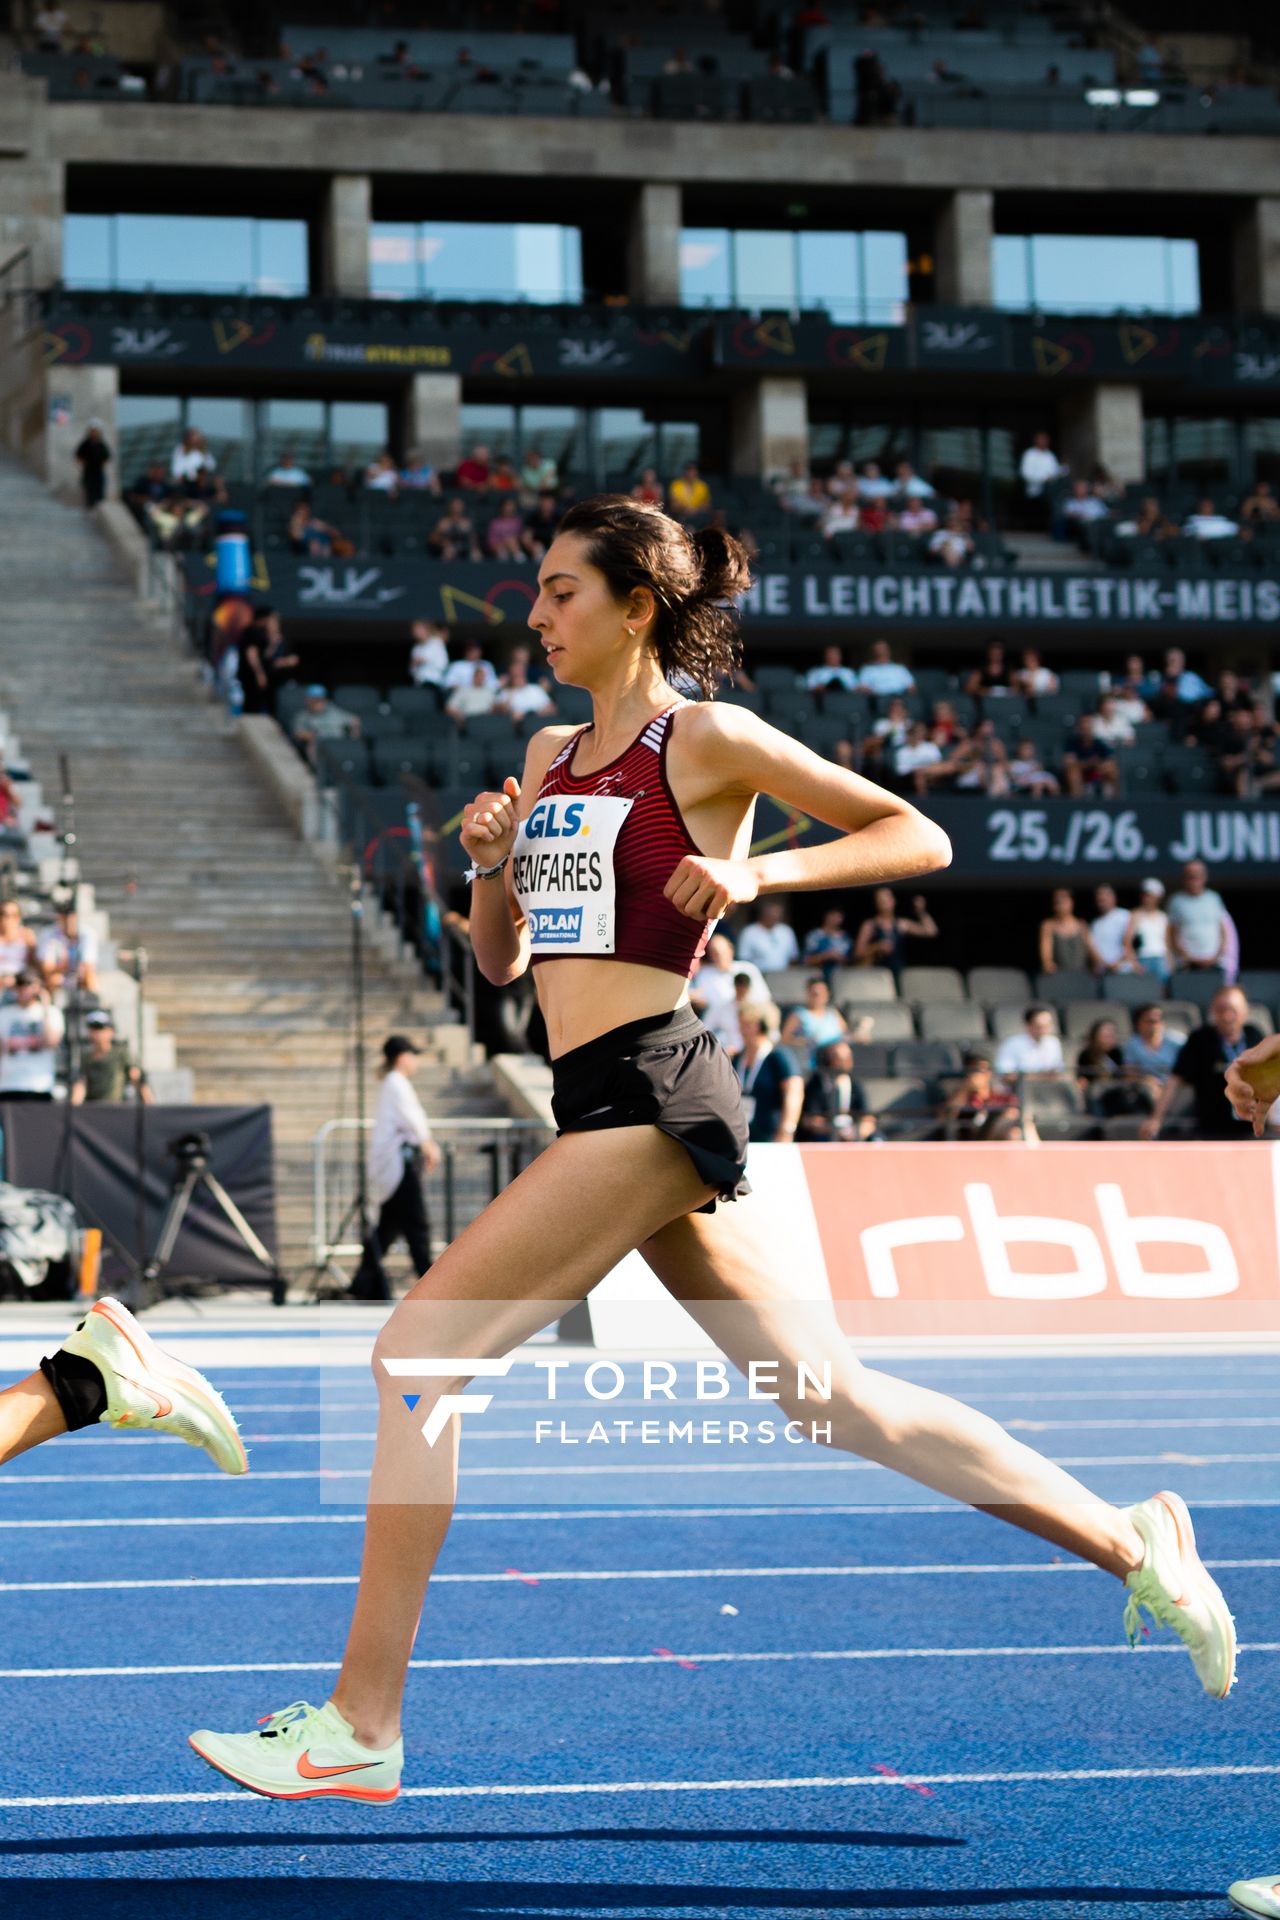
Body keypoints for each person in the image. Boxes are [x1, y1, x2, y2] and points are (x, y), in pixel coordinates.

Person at [185, 491, 1238, 1806]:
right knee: (832, 1400)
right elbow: (507, 966)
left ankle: (361, 1721)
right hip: (592, 1097)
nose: (536, 612)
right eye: (537, 589)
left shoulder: (712, 739)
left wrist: (757, 878)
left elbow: (921, 834)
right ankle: (1133, 1542)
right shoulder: (550, 748)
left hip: (658, 1090)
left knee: (417, 1354)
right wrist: (486, 868)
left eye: (563, 590)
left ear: (637, 606)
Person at [349, 1035, 442, 1301]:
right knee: (416, 1223)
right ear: (403, 1057)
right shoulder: (396, 1084)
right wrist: (427, 1144)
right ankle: (430, 1282)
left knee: (389, 1226)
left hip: (395, 1165)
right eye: (413, 1055)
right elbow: (411, 1118)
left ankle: (363, 1281)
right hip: (398, 1164)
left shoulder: (393, 1084)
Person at [1140, 985, 1263, 1142]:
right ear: (1213, 1012)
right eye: (1221, 1010)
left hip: (1252, 1129)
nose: (1227, 1016)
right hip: (1210, 1129)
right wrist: (1156, 1119)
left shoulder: (1255, 1036)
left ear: (1245, 1012)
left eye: (1233, 1010)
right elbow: (1175, 1080)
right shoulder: (1200, 1039)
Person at [732, 1001, 803, 1143]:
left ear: (760, 1026)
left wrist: (786, 1130)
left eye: (746, 1024)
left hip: (771, 1136)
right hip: (740, 1137)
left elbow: (794, 1092)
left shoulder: (779, 1055)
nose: (740, 1029)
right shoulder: (738, 1058)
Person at [690, 932, 764, 1053]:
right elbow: (698, 998)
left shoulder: (748, 969)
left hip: (752, 1031)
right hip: (725, 1040)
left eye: (720, 952)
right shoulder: (705, 974)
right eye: (713, 953)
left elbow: (764, 1000)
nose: (717, 956)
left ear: (730, 949)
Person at [0, 972, 65, 1100]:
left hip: (39, 1084)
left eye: (29, 985)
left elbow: (51, 1042)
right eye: (20, 985)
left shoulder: (52, 1012)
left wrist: (45, 1006)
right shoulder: (4, 1013)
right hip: (8, 1084)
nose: (24, 989)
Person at [798, 1037, 877, 1141]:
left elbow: (868, 1118)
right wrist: (837, 1132)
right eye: (840, 1058)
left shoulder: (855, 1083)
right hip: (825, 1134)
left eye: (848, 1057)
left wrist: (856, 1133)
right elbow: (810, 1120)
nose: (846, 1062)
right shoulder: (817, 1084)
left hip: (852, 1133)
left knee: (877, 1139)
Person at [70, 1009, 151, 1105]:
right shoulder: (86, 1057)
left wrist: (149, 1103)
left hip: (115, 1109)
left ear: (111, 1031)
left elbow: (135, 1076)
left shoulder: (121, 1053)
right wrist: (74, 1107)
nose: (97, 1033)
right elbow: (80, 1085)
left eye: (100, 1028)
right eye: (93, 1028)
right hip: (92, 1110)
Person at [852, 888, 937, 978]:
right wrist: (876, 947)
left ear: (893, 901)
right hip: (876, 975)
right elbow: (857, 953)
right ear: (876, 903)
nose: (884, 901)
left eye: (886, 898)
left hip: (898, 973)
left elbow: (931, 931)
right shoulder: (870, 925)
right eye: (880, 899)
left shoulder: (901, 924)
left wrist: (921, 912)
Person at [940, 1050, 1022, 1141]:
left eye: (981, 1070)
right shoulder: (958, 1094)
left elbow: (1014, 1115)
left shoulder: (1000, 1095)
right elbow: (944, 1119)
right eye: (973, 1071)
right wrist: (964, 1090)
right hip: (969, 1140)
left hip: (995, 1138)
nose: (977, 1075)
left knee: (1014, 1132)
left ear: (989, 1074)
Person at [236, 608, 299, 717]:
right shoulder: (253, 633)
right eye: (270, 620)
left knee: (269, 706)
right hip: (253, 678)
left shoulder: (269, 637)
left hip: (271, 679)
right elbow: (254, 655)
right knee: (253, 705)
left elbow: (269, 657)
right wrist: (260, 673)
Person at [1167, 860, 1228, 971]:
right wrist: (1188, 957)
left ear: (1204, 877)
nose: (1194, 880)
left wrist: (1217, 955)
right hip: (1187, 964)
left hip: (1214, 962)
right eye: (1190, 876)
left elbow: (1223, 930)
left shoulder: (1214, 898)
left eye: (1197, 876)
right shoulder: (1176, 901)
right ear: (1184, 878)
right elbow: (1171, 934)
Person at [780, 973, 848, 1066]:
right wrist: (803, 1042)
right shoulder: (799, 1014)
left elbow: (845, 1034)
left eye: (821, 993)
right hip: (813, 1059)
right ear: (808, 994)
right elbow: (784, 1039)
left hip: (836, 1057)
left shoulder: (833, 1013)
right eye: (814, 993)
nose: (818, 997)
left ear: (827, 994)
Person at [36, 900, 99, 996]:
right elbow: (47, 969)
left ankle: (91, 1003)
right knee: (52, 980)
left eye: (71, 917)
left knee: (90, 979)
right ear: (59, 918)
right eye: (65, 917)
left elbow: (88, 966)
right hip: (58, 975)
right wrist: (63, 965)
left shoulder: (88, 934)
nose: (68, 921)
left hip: (78, 975)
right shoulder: (47, 934)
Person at [291, 686, 361, 765]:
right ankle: (317, 770)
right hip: (320, 744)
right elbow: (298, 733)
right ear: (308, 700)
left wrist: (353, 739)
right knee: (313, 746)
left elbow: (355, 720)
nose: (318, 703)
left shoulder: (334, 711)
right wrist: (313, 736)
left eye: (320, 700)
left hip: (339, 743)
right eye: (315, 700)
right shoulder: (302, 716)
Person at [1039, 888, 1099, 976]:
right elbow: (1046, 951)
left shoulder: (1081, 924)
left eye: (1064, 900)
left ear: (1071, 902)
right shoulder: (1049, 925)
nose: (1061, 904)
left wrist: (1098, 963)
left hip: (1081, 973)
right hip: (1060, 974)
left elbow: (1091, 948)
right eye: (1057, 902)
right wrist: (1047, 963)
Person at [994, 1004, 1065, 1078]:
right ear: (1028, 1025)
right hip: (1019, 1088)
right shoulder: (1011, 1043)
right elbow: (1006, 1075)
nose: (1045, 1030)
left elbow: (1057, 1072)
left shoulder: (1053, 1042)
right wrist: (1039, 1077)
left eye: (1047, 1025)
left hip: (1048, 1087)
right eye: (1040, 1026)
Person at [1123, 878, 1170, 983]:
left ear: (1158, 897)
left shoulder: (1163, 917)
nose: (1147, 898)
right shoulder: (1136, 915)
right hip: (1143, 959)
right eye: (1145, 895)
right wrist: (1134, 964)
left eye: (1150, 895)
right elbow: (1127, 942)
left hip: (1161, 960)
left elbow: (1167, 944)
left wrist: (1170, 964)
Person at [736, 899, 800, 975]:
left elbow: (793, 957)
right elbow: (743, 959)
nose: (775, 918)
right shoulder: (749, 932)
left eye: (778, 915)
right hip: (758, 976)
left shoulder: (787, 931)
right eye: (771, 915)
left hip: (783, 976)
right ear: (763, 915)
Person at [801, 906, 852, 985]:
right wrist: (826, 956)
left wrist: (838, 957)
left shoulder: (845, 938)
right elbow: (806, 960)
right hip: (817, 979)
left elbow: (852, 962)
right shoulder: (815, 936)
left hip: (841, 980)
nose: (836, 919)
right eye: (833, 915)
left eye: (839, 916)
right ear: (826, 916)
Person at [1090, 884, 1133, 975]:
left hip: (1122, 971)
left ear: (1113, 897)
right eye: (1099, 896)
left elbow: (1130, 944)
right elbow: (1093, 948)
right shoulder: (1095, 923)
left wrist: (1117, 963)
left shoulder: (1125, 916)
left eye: (1105, 895)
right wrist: (1103, 964)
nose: (1101, 898)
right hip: (1102, 973)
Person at [0, 899, 38, 987]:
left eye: (14, 915)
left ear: (19, 917)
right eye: (4, 915)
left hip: (21, 983)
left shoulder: (27, 935)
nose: (9, 919)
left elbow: (33, 965)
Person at [74, 421, 111, 509]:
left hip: (98, 472)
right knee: (90, 492)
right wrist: (83, 464)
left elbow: (107, 457)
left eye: (96, 431)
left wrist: (102, 465)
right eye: (93, 431)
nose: (94, 433)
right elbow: (78, 456)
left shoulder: (101, 444)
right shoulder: (85, 444)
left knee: (99, 493)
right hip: (88, 472)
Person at [408, 619, 450, 690]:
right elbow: (412, 669)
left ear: (426, 629)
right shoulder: (416, 648)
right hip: (419, 685)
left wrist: (420, 661)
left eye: (418, 629)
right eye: (414, 630)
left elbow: (443, 664)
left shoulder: (436, 643)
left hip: (435, 684)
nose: (416, 632)